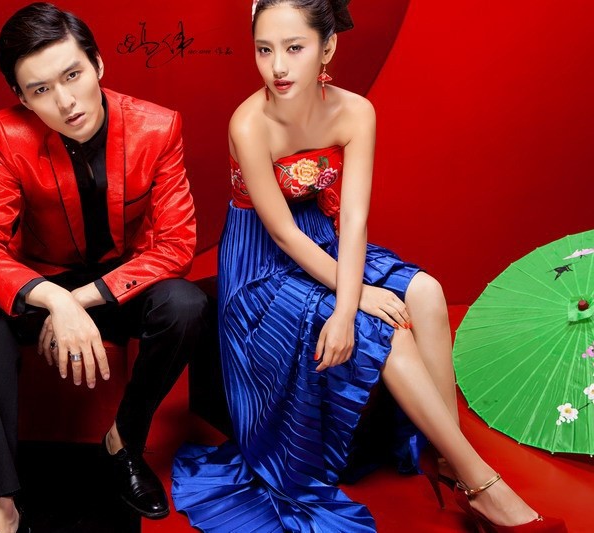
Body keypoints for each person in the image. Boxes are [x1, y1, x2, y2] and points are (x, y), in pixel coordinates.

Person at [171, 1, 568, 531]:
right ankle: (485, 489)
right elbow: (283, 235)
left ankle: (448, 457)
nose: (278, 67)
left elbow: (354, 219)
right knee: (385, 329)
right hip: (260, 263)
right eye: (264, 50)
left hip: (325, 240)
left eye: (294, 48)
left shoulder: (356, 112)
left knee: (426, 292)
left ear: (327, 47)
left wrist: (348, 294)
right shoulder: (249, 123)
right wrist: (351, 301)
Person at [0, 2, 210, 531]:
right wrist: (53, 298)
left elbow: (176, 247)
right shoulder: (9, 133)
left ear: (97, 65)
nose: (65, 102)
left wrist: (78, 302)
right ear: (22, 98)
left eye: (73, 75)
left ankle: (124, 440)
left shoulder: (158, 127)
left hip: (119, 284)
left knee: (186, 303)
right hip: (45, 278)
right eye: (40, 90)